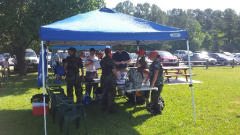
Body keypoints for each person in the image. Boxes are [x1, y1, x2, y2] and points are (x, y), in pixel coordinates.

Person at [100, 48, 119, 113]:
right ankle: (110, 109)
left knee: (104, 92)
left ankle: (103, 107)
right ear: (109, 53)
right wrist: (117, 77)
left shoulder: (102, 60)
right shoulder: (111, 60)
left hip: (103, 77)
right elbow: (113, 70)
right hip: (110, 78)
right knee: (111, 93)